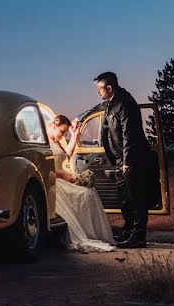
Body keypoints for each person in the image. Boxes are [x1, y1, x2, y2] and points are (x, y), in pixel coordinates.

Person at [94, 71, 160, 249]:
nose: (98, 92)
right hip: (118, 159)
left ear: (109, 87)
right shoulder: (110, 103)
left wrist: (127, 162)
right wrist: (79, 119)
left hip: (132, 159)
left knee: (136, 198)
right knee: (125, 198)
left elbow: (129, 134)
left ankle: (138, 237)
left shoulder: (125, 102)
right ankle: (128, 230)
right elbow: (97, 109)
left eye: (99, 89)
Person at [46, 114, 116, 253]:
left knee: (90, 192)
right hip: (53, 182)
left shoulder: (56, 141)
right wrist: (66, 176)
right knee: (85, 194)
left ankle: (91, 232)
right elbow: (46, 167)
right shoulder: (44, 142)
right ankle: (85, 233)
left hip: (62, 179)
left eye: (66, 132)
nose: (64, 134)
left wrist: (75, 134)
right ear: (54, 125)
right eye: (62, 131)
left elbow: (67, 153)